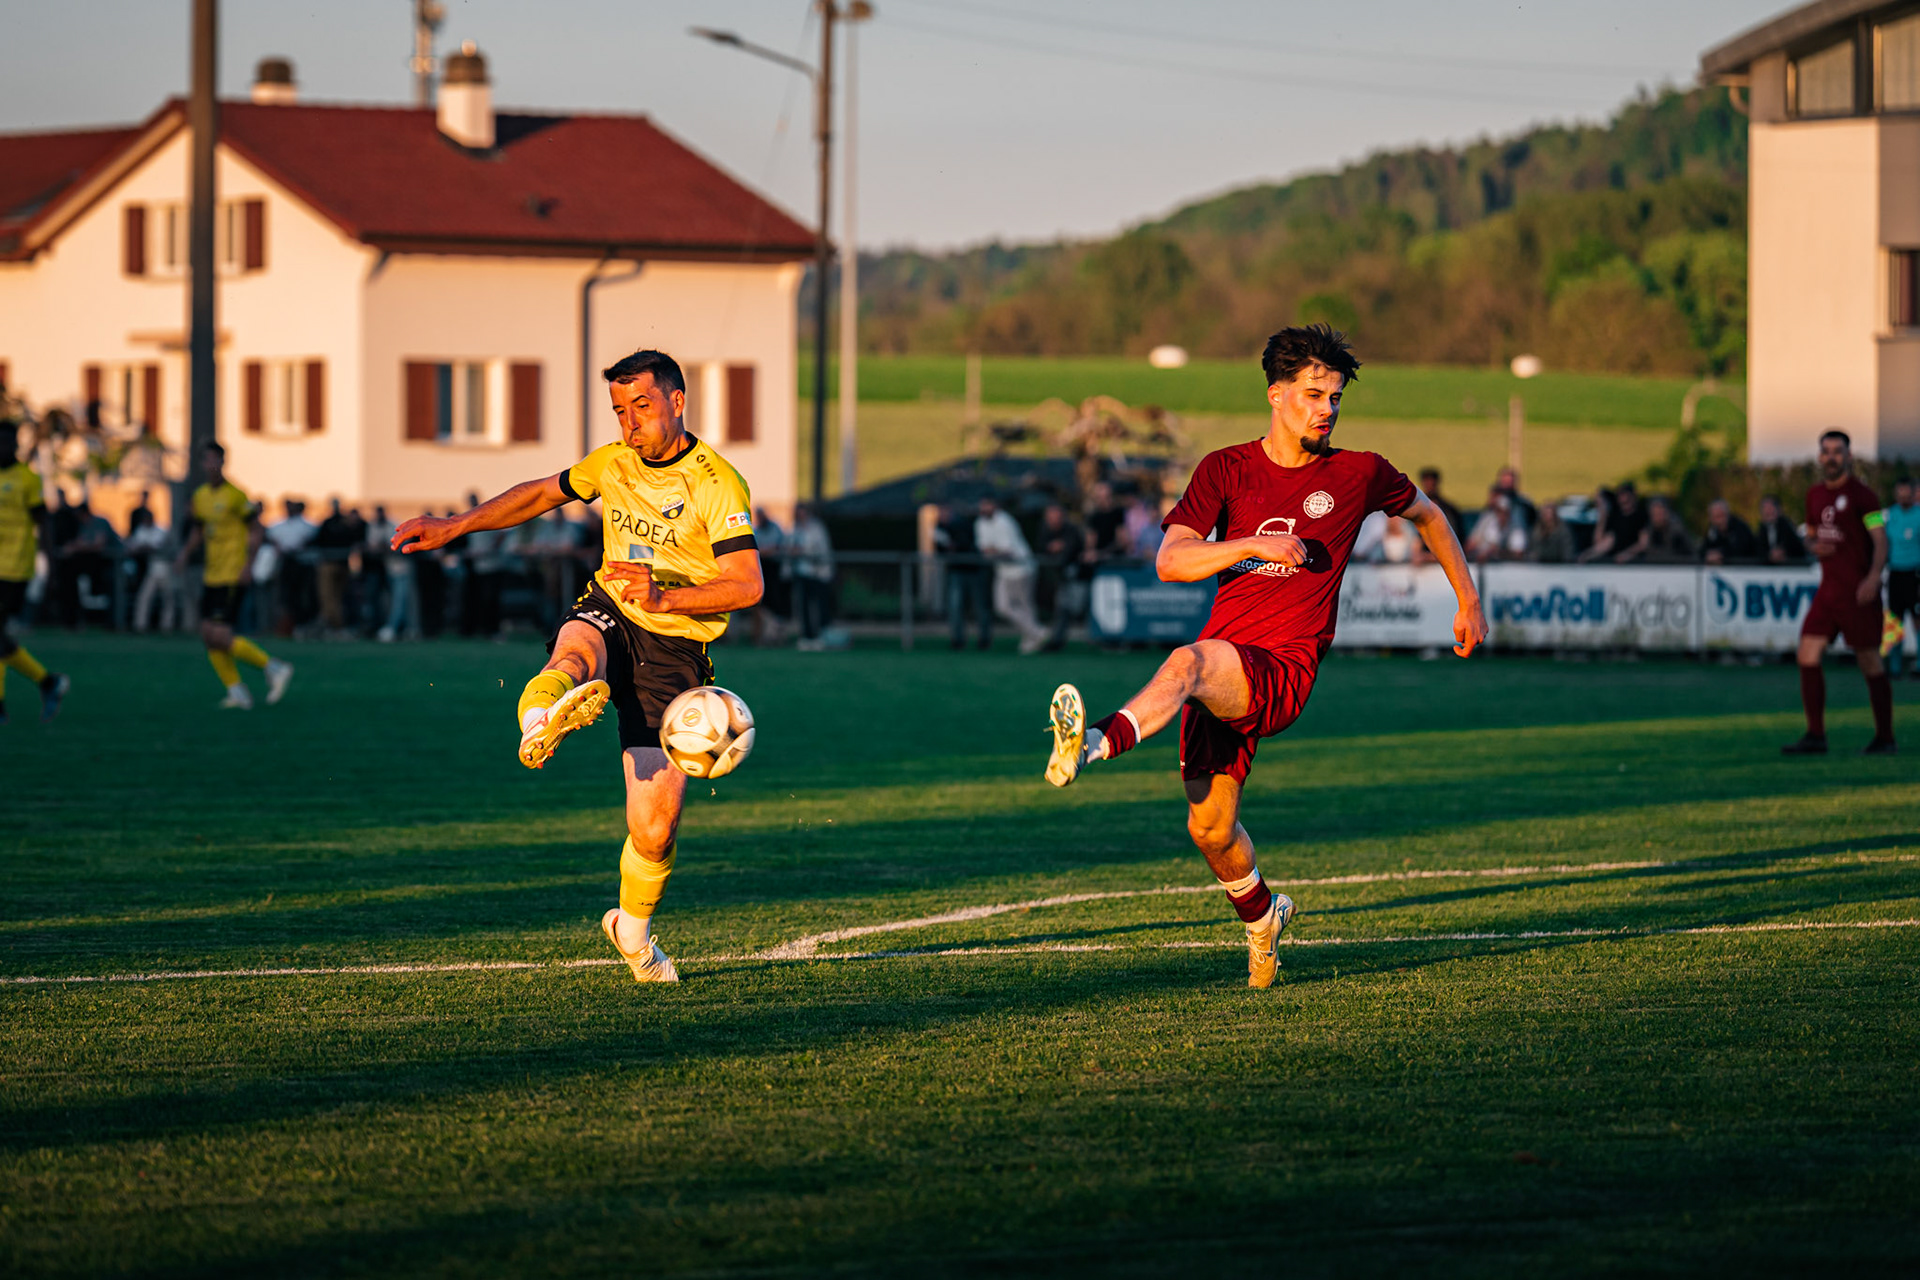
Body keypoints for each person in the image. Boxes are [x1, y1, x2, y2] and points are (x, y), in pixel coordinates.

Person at [1042, 325, 1487, 987]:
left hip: (1280, 670)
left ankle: (1092, 743)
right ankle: (1262, 920)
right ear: (1277, 395)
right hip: (1226, 669)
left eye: (1335, 398)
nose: (1326, 409)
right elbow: (1171, 561)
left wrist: (1467, 598)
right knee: (1211, 829)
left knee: (1184, 663)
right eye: (1313, 394)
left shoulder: (1358, 472)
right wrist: (1250, 545)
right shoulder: (1226, 468)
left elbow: (1428, 516)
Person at [392, 348, 762, 983]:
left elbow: (747, 584)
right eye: (620, 411)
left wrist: (665, 596)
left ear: (677, 400)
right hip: (611, 608)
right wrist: (455, 525)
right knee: (575, 650)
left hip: (674, 649)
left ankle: (633, 931)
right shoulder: (611, 464)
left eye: (641, 407)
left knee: (654, 826)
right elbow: (540, 493)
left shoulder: (715, 481)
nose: (629, 424)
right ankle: (542, 718)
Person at [1782, 430, 1894, 756]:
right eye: (1826, 451)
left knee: (1869, 660)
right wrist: (1814, 545)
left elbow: (1880, 539)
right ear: (1820, 457)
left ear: (1849, 456)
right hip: (1828, 592)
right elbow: (1812, 535)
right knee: (1807, 654)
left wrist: (1873, 577)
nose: (1831, 457)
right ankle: (1816, 735)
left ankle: (1886, 737)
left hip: (1857, 592)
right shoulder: (1814, 495)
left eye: (1837, 451)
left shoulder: (1863, 496)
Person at [173, 443, 294, 709]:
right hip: (212, 573)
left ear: (223, 463)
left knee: (219, 634)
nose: (210, 465)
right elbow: (197, 530)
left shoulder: (236, 495)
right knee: (208, 635)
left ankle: (273, 667)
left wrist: (249, 564)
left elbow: (256, 530)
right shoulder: (201, 496)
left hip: (232, 571)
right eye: (206, 460)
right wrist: (184, 554)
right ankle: (237, 691)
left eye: (215, 460)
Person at [0, 431, 69, 722]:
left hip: (15, 568)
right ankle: (48, 682)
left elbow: (44, 524)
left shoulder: (27, 479)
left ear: (15, 445)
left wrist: (51, 567)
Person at [976, 495, 1048, 655]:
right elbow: (984, 549)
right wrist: (993, 551)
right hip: (1003, 571)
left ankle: (1032, 639)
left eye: (988, 504)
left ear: (995, 505)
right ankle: (1036, 632)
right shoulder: (980, 523)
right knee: (1002, 607)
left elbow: (1006, 551)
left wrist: (992, 551)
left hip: (1022, 570)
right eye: (983, 505)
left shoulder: (1004, 521)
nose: (985, 508)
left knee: (1025, 606)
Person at [936, 500, 990, 650]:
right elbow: (940, 549)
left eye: (944, 511)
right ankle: (958, 639)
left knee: (980, 606)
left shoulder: (963, 523)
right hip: (956, 571)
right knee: (955, 606)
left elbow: (968, 543)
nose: (942, 514)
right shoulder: (940, 527)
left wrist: (956, 546)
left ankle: (984, 639)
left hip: (974, 570)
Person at [1036, 503, 1087, 650]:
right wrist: (1051, 547)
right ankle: (1056, 640)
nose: (1052, 519)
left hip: (1079, 575)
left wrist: (1060, 549)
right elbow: (1041, 547)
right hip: (1061, 577)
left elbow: (1071, 551)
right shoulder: (1045, 529)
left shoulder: (1071, 530)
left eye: (1055, 515)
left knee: (1078, 607)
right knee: (1062, 608)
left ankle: (1103, 639)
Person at [786, 503, 835, 650]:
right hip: (801, 573)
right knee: (803, 606)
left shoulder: (817, 528)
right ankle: (806, 636)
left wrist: (802, 551)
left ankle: (818, 636)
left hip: (817, 573)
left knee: (817, 606)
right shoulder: (794, 528)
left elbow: (820, 548)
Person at [1885, 478, 1918, 678]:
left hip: (1915, 574)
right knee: (1894, 622)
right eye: (1900, 493)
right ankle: (1894, 665)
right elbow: (1883, 544)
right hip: (1896, 574)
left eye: (1907, 493)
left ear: (1914, 493)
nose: (1903, 497)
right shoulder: (1891, 515)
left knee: (1917, 621)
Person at [1580, 481, 1648, 562]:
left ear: (1633, 497)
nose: (1623, 499)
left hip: (1635, 562)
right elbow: (1601, 542)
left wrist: (1627, 554)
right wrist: (1603, 516)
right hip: (1613, 562)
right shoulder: (1615, 517)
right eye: (1621, 496)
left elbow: (1643, 544)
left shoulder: (1641, 516)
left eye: (1626, 496)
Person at [1618, 496, 1693, 564]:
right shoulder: (1650, 529)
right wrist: (1628, 554)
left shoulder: (1676, 531)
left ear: (1666, 513)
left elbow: (1672, 555)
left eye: (1659, 514)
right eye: (1654, 514)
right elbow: (1642, 546)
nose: (1656, 518)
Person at [1465, 487, 1527, 562]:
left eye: (1505, 512)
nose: (1502, 515)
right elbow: (1472, 543)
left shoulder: (1517, 526)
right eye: (1499, 511)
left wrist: (1496, 552)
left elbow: (1518, 552)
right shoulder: (1488, 519)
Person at [1700, 499, 1758, 565]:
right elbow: (1703, 549)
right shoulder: (1712, 530)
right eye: (1716, 517)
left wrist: (1721, 554)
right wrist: (1708, 555)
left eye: (1722, 516)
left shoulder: (1740, 528)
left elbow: (1740, 550)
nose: (1720, 521)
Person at [1757, 494, 1807, 563]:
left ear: (1778, 510)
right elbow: (1758, 550)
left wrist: (1783, 553)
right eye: (1765, 510)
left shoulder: (1787, 527)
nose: (1768, 512)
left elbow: (1797, 547)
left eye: (1770, 509)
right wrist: (1769, 556)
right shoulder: (1762, 530)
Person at [1416, 468, 1463, 541]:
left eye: (1431, 484)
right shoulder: (1416, 508)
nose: (1429, 487)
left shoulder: (1449, 510)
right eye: (1427, 483)